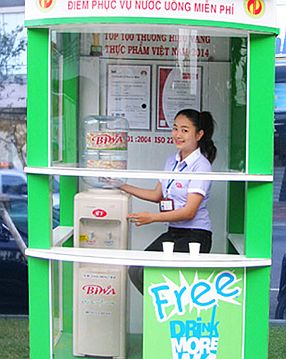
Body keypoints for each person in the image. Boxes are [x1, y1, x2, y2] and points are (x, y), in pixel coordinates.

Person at [120, 108, 217, 294]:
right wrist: (121, 186)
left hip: (196, 235)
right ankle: (160, 314)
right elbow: (157, 195)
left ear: (199, 135)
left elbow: (189, 212)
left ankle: (168, 317)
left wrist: (152, 218)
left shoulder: (202, 166)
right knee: (136, 270)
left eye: (185, 130)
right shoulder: (171, 161)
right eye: (175, 128)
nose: (177, 135)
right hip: (174, 232)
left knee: (166, 280)